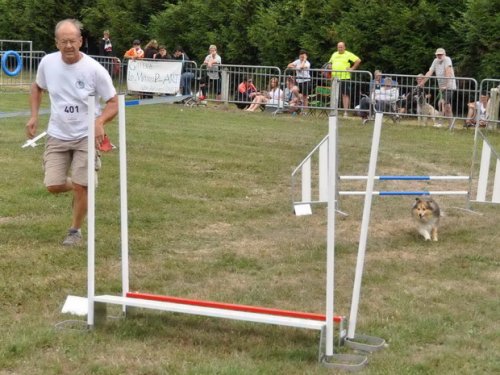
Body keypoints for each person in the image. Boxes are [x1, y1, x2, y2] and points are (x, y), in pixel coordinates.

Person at [25, 19, 118, 246]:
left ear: (81, 41)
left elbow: (114, 102)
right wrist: (34, 115)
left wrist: (100, 121)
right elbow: (37, 87)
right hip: (57, 133)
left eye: (72, 41)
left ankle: (74, 231)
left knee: (82, 185)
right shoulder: (47, 63)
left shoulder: (94, 69)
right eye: (64, 41)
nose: (68, 46)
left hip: (85, 135)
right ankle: (80, 184)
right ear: (56, 43)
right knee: (53, 185)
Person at [420, 48, 456, 127]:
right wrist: (422, 82)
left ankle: (440, 122)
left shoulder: (447, 59)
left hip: (449, 86)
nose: (439, 56)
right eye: (438, 54)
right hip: (442, 87)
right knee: (447, 107)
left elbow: (448, 72)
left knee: (441, 103)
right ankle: (452, 125)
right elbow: (430, 72)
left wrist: (446, 85)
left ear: (444, 54)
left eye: (441, 54)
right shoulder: (435, 61)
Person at [328, 41, 361, 117]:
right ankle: (333, 111)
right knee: (334, 94)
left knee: (345, 95)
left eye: (341, 47)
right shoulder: (334, 54)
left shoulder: (348, 54)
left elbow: (358, 60)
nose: (340, 48)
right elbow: (330, 62)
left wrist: (352, 68)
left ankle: (345, 112)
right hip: (335, 77)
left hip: (345, 77)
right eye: (338, 47)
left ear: (344, 47)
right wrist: (330, 66)